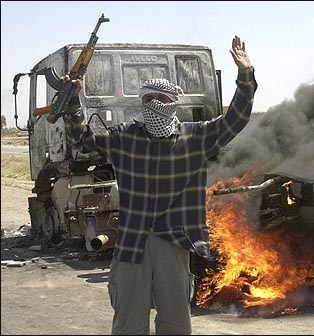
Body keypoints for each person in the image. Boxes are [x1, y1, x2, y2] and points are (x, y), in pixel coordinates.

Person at [63, 35, 257, 335]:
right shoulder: (125, 138)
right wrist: (73, 102)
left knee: (175, 324)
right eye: (146, 100)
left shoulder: (195, 138)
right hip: (130, 246)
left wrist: (245, 75)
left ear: (172, 103)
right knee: (128, 324)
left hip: (173, 243)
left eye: (159, 100)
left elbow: (237, 118)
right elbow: (81, 140)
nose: (152, 105)